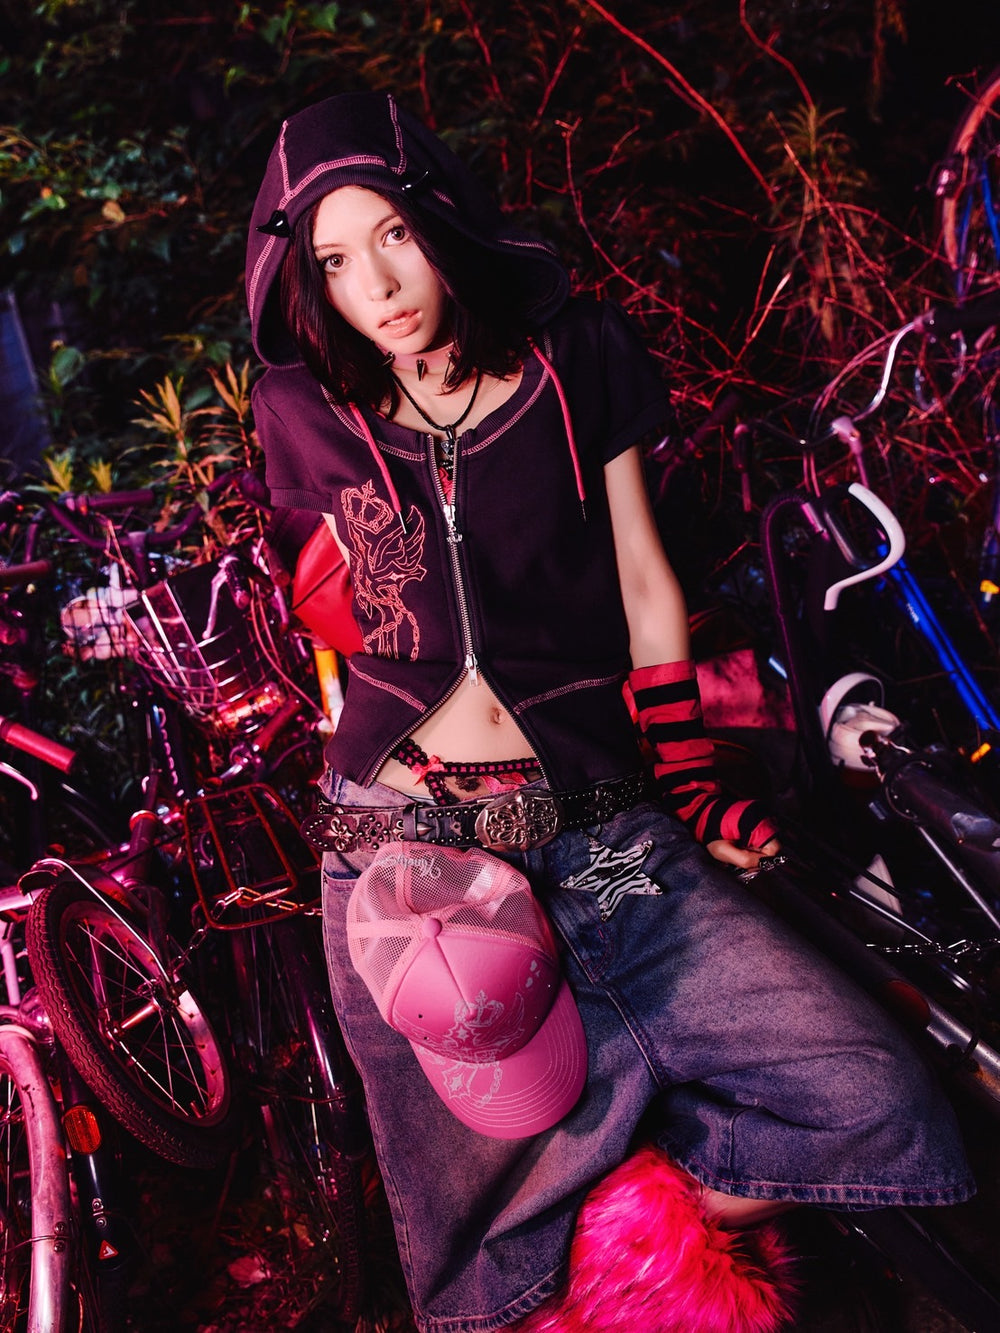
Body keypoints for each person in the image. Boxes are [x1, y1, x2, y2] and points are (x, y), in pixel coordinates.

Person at [246, 91, 973, 1333]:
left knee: (874, 1095)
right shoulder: (304, 409)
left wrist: (687, 778)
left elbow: (643, 580)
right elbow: (348, 611)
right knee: (475, 1239)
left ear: (440, 219)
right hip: (402, 851)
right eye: (333, 260)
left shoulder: (576, 354)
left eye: (394, 235)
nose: (377, 285)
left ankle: (644, 1230)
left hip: (599, 822)